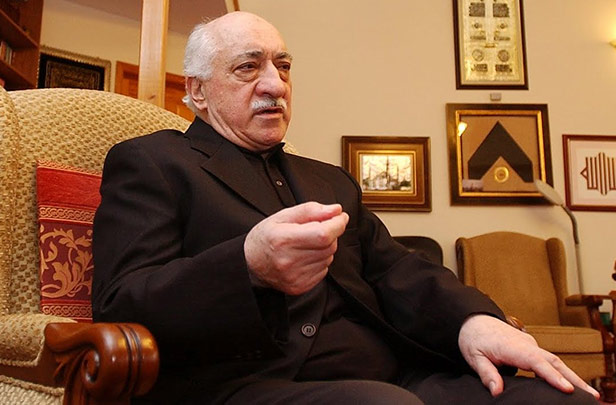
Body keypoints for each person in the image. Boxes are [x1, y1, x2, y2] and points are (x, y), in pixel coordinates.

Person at [92, 11, 600, 405]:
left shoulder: (328, 179)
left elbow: (398, 270)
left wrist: (475, 322)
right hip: (246, 385)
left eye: (283, 66)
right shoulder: (154, 162)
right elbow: (122, 302)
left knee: (565, 398)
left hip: (395, 375)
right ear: (197, 91)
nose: (275, 84)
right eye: (248, 67)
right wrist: (247, 266)